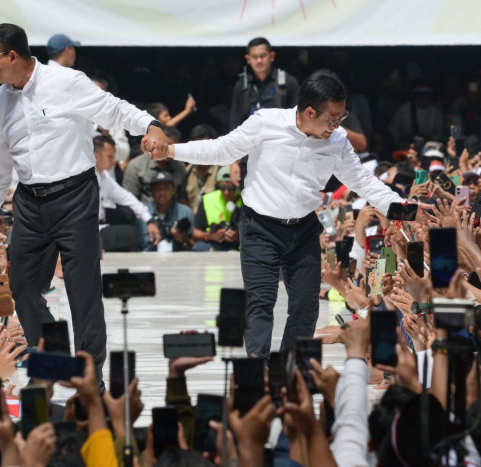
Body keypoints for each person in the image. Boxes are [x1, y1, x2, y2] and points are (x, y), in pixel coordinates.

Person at [145, 70, 414, 357]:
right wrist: (171, 151)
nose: (337, 126)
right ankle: (257, 375)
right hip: (260, 227)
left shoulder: (337, 141)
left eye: (341, 119)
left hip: (304, 229)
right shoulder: (266, 123)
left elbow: (363, 180)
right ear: (309, 111)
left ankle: (290, 373)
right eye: (332, 119)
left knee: (306, 307)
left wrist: (406, 211)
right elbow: (221, 150)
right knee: (260, 302)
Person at [0, 23, 168, 381]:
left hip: (75, 197)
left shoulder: (65, 82)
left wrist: (151, 125)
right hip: (29, 202)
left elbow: (113, 110)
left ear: (12, 55)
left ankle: (90, 379)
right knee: (23, 289)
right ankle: (57, 362)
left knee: (83, 294)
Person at [229, 37, 300, 186]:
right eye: (254, 57)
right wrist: (233, 162)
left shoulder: (288, 82)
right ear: (248, 59)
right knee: (250, 206)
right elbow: (235, 124)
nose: (259, 61)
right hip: (250, 157)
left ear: (272, 56)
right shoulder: (241, 86)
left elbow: (300, 121)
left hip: (282, 157)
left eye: (263, 56)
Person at [94, 135, 161, 251]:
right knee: (132, 234)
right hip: (86, 228)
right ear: (96, 157)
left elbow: (126, 198)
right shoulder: (84, 177)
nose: (114, 161)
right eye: (110, 157)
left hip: (100, 218)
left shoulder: (104, 177)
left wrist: (149, 220)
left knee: (129, 213)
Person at [191, 165, 241, 252]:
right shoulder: (208, 200)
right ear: (218, 185)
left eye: (231, 188)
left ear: (238, 186)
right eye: (222, 188)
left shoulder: (246, 201)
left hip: (238, 245)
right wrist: (211, 235)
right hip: (213, 243)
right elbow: (195, 232)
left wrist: (237, 236)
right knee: (198, 248)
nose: (226, 192)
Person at [141, 172, 194, 252]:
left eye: (166, 188)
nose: (162, 193)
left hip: (178, 259)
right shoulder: (142, 212)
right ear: (151, 191)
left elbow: (195, 247)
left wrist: (183, 240)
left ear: (173, 190)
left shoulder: (186, 212)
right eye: (157, 189)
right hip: (147, 258)